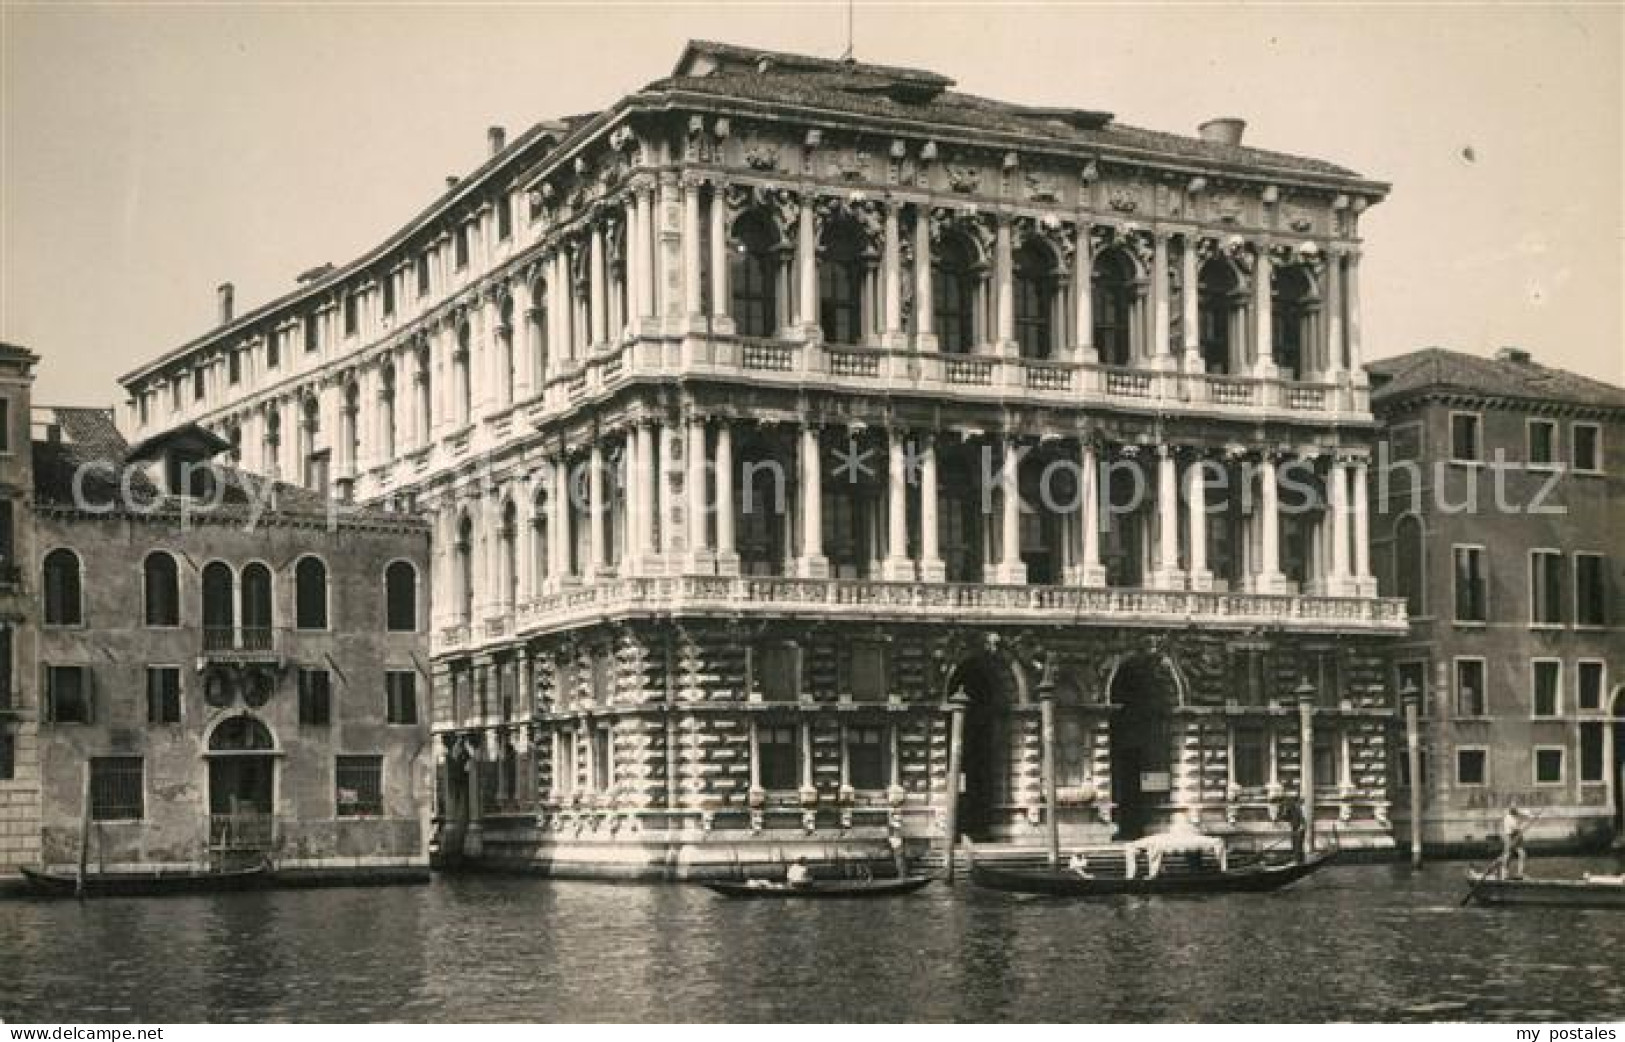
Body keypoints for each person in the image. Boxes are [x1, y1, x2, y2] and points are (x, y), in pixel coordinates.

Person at [1497, 803, 1531, 880]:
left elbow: (1526, 814)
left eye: (1516, 810)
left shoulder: (1517, 813)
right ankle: (1504, 874)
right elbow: (1513, 831)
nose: (1516, 812)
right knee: (1507, 856)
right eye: (1514, 811)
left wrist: (1530, 816)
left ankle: (1520, 874)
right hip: (1510, 837)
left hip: (1517, 837)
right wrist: (1523, 826)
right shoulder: (1508, 819)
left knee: (1522, 855)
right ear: (1511, 811)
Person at [1284, 796, 1309, 863]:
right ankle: (1297, 859)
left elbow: (1303, 820)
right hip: (1294, 828)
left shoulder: (1299, 809)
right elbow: (1287, 817)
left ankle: (1299, 860)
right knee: (1294, 844)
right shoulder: (1292, 809)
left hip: (1299, 829)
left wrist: (1300, 828)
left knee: (1298, 845)